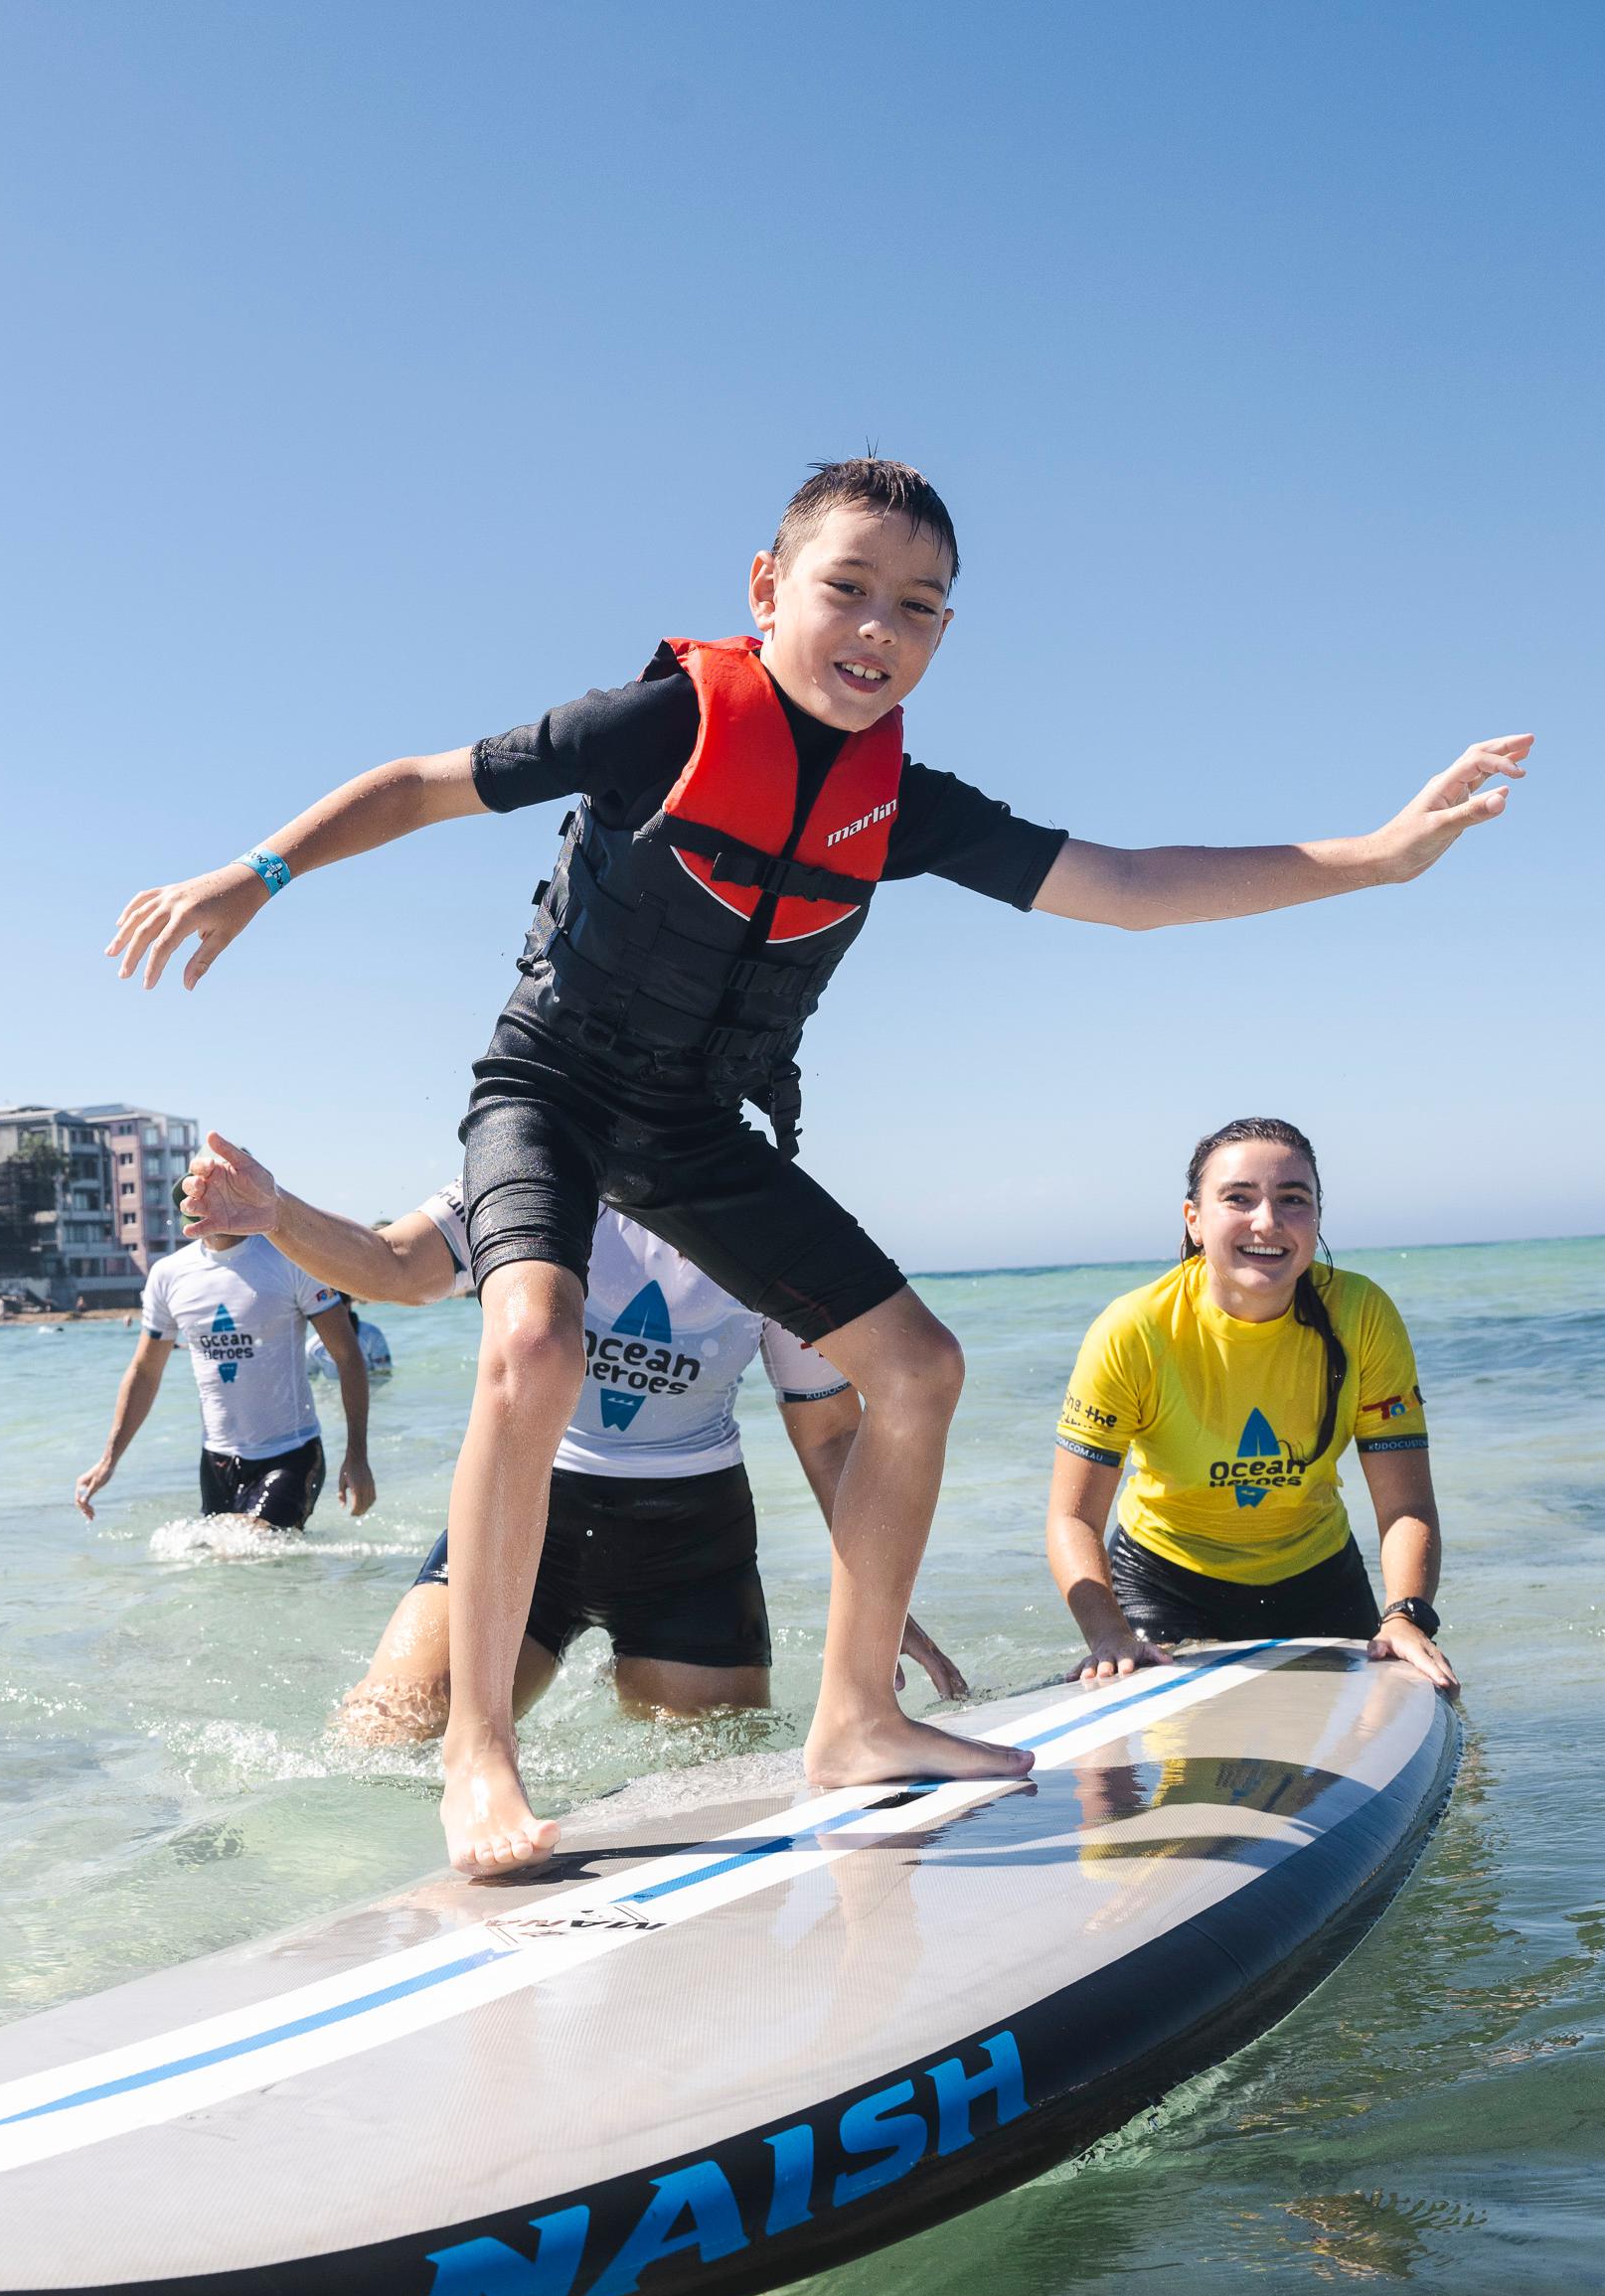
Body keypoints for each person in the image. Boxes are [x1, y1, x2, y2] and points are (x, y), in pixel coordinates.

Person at [109, 457, 1525, 1871]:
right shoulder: (666, 721)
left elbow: (1131, 886)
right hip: (551, 1091)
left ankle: (856, 1719)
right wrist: (255, 874)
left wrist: (1376, 856)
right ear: (766, 589)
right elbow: (424, 786)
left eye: (919, 606)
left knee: (920, 1369)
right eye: (848, 588)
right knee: (532, 1336)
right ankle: (479, 1754)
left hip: (694, 1129)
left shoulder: (899, 802)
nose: (878, 628)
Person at [174, 1137, 967, 1735]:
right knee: (381, 1734)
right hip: (528, 1509)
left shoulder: (765, 1216)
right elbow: (394, 1263)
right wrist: (279, 1216)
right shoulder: (530, 1169)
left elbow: (829, 1438)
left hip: (690, 1541)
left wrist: (879, 1608)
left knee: (720, 1774)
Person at [1046, 1118, 1457, 1692]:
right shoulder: (1134, 1330)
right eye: (1238, 1198)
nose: (1267, 1221)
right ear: (1193, 1220)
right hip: (1163, 1580)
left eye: (1293, 1199)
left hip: (1319, 1576)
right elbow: (1073, 1517)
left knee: (1422, 1698)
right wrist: (1108, 1635)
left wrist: (1406, 1617)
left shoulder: (1362, 1314)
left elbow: (1406, 1504)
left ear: (1317, 1218)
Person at [75, 1224, 376, 1530]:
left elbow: (348, 1356)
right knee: (224, 1555)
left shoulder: (291, 1260)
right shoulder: (168, 1274)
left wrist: (357, 1455)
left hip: (291, 1453)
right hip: (216, 1462)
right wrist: (109, 1459)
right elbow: (145, 1372)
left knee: (251, 1544)